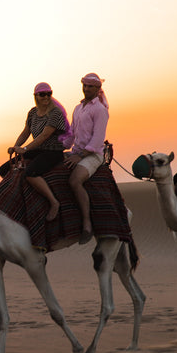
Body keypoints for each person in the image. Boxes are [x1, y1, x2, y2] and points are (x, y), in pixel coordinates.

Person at [7, 82, 70, 221]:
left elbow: (44, 135)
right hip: (38, 150)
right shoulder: (32, 113)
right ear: (36, 96)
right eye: (42, 94)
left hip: (53, 151)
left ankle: (54, 202)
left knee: (31, 173)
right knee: (4, 169)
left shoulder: (55, 113)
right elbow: (26, 132)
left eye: (49, 93)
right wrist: (15, 146)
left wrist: (24, 149)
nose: (46, 97)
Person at [65, 72, 110, 244]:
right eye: (84, 85)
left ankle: (87, 223)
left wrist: (80, 156)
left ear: (98, 88)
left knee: (75, 180)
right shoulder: (78, 108)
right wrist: (57, 146)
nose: (86, 89)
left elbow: (97, 139)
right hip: (76, 152)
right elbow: (71, 134)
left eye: (90, 86)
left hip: (93, 155)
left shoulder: (100, 110)